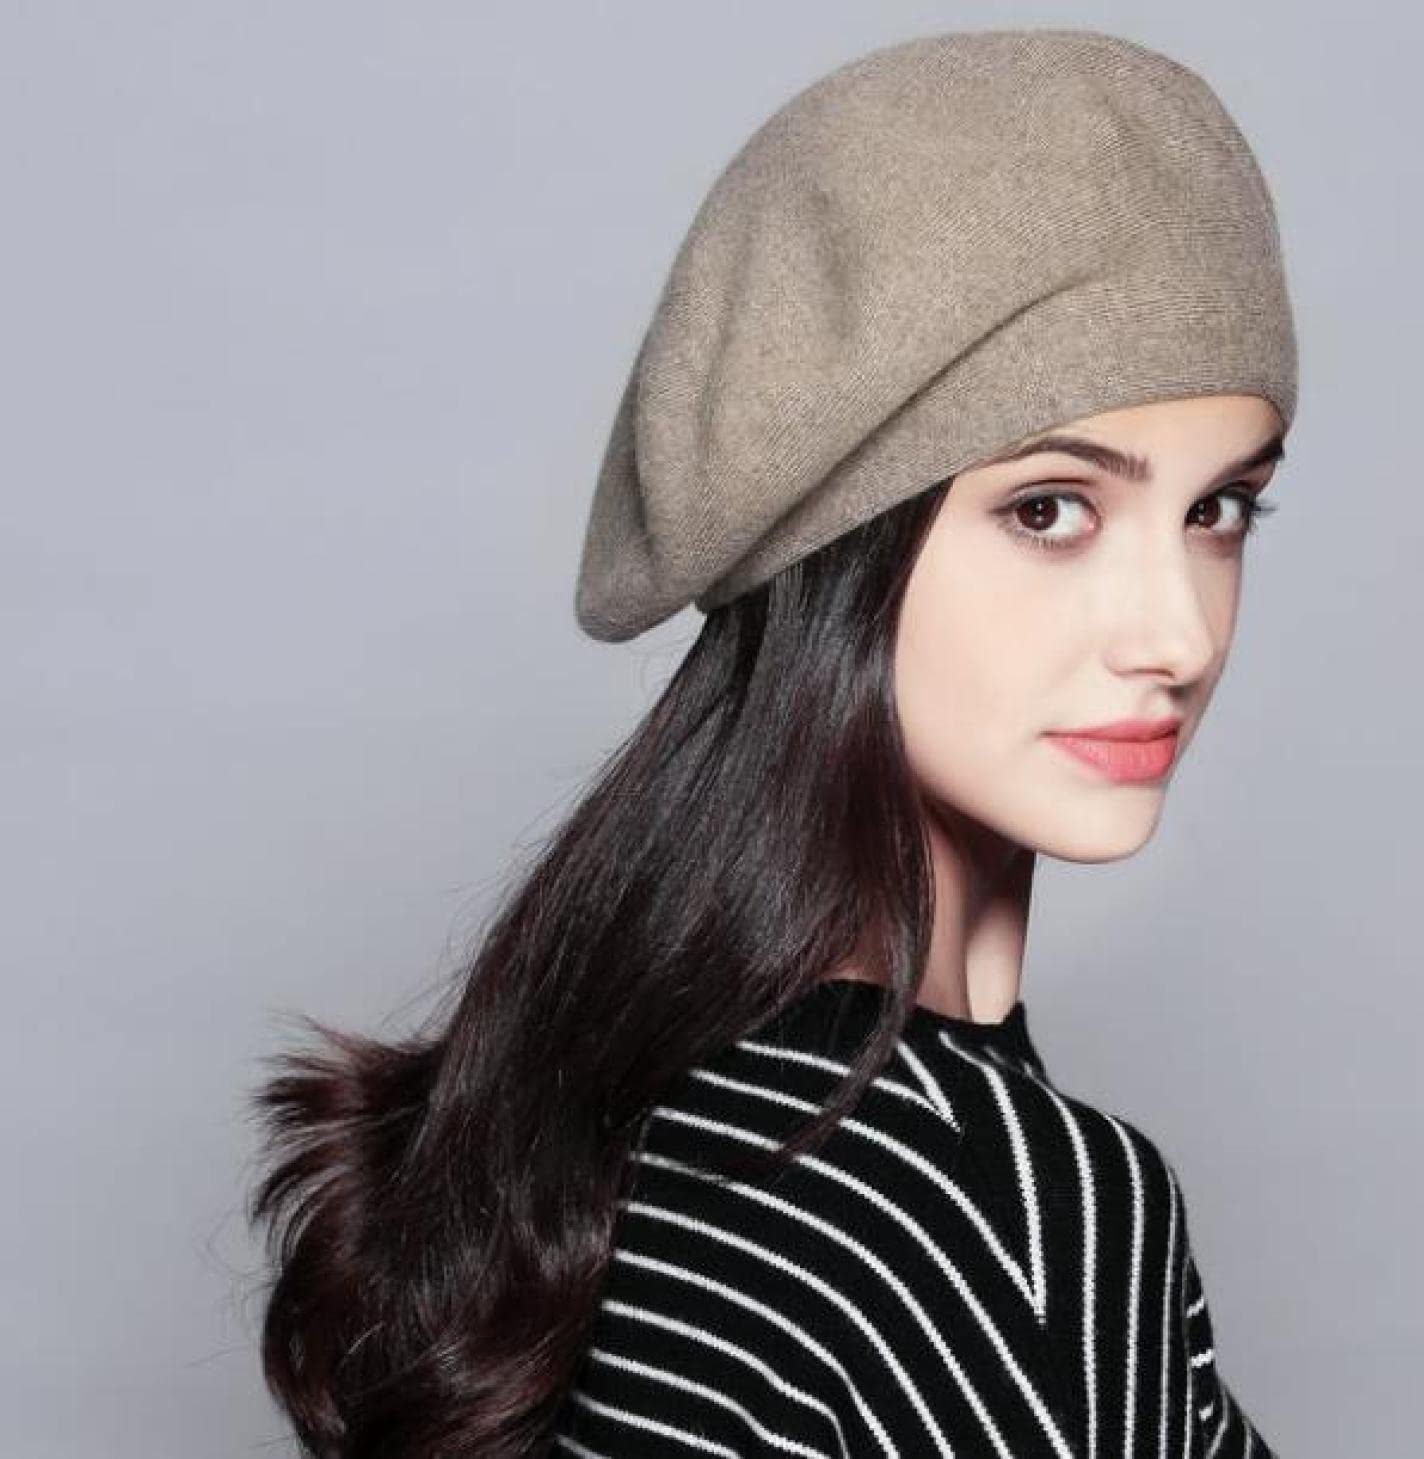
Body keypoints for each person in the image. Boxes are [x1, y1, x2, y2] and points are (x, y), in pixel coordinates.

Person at [250, 27, 1297, 1459]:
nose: (1176, 633)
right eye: (1050, 510)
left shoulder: (615, 1109)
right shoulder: (1009, 1210)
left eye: (1219, 511)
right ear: (840, 547)